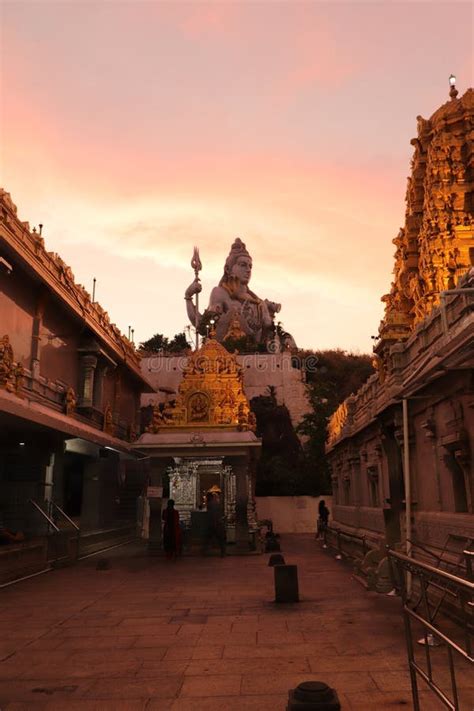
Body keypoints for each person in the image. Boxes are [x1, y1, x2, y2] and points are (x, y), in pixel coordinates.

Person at [185, 238, 296, 351]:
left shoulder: (258, 302)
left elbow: (268, 335)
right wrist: (188, 297)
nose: (248, 270)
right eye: (243, 265)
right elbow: (203, 327)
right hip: (227, 354)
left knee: (289, 340)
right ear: (228, 269)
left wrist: (273, 328)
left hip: (256, 354)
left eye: (250, 266)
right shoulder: (220, 293)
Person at [203, 492, 226, 557]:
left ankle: (204, 551)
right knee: (220, 539)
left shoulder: (211, 504)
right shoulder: (214, 503)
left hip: (214, 523)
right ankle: (223, 552)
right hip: (216, 523)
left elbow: (213, 514)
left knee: (210, 538)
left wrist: (214, 523)